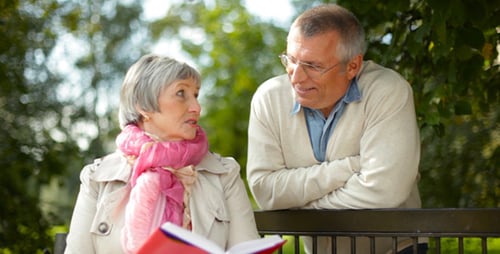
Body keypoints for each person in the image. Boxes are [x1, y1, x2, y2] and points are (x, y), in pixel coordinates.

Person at [246, 4, 426, 254]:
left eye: (313, 66)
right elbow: (266, 191)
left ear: (352, 66)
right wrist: (351, 166)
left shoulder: (387, 90)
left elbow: (385, 192)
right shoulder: (268, 98)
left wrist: (300, 208)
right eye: (291, 60)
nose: (296, 77)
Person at [65, 54, 260, 253]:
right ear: (143, 106)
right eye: (181, 93)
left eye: (196, 95)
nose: (196, 107)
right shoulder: (98, 178)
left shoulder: (224, 174)